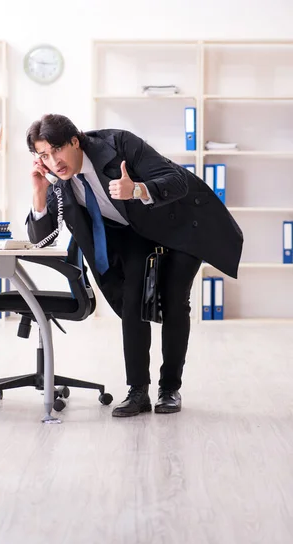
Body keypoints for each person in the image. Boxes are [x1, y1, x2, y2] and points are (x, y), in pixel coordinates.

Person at [26, 114, 243, 417]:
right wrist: (39, 190)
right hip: (135, 232)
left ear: (75, 141)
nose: (53, 161)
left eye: (57, 150)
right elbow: (41, 239)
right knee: (133, 301)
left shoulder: (119, 144)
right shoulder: (59, 182)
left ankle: (169, 389)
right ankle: (138, 391)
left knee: (174, 301)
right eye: (44, 156)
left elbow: (177, 181)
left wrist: (138, 190)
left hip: (179, 224)